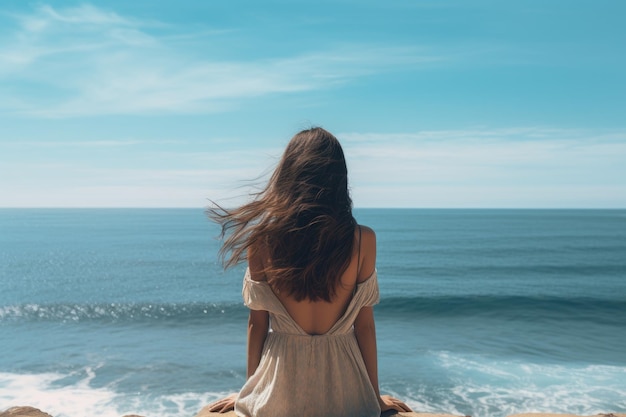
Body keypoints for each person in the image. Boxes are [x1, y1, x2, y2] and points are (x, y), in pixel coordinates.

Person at [207, 127, 412, 416]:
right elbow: (364, 326)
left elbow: (257, 325)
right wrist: (374, 397)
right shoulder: (364, 239)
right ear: (339, 179)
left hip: (280, 393)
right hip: (347, 393)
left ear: (288, 175)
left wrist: (251, 392)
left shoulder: (262, 241)